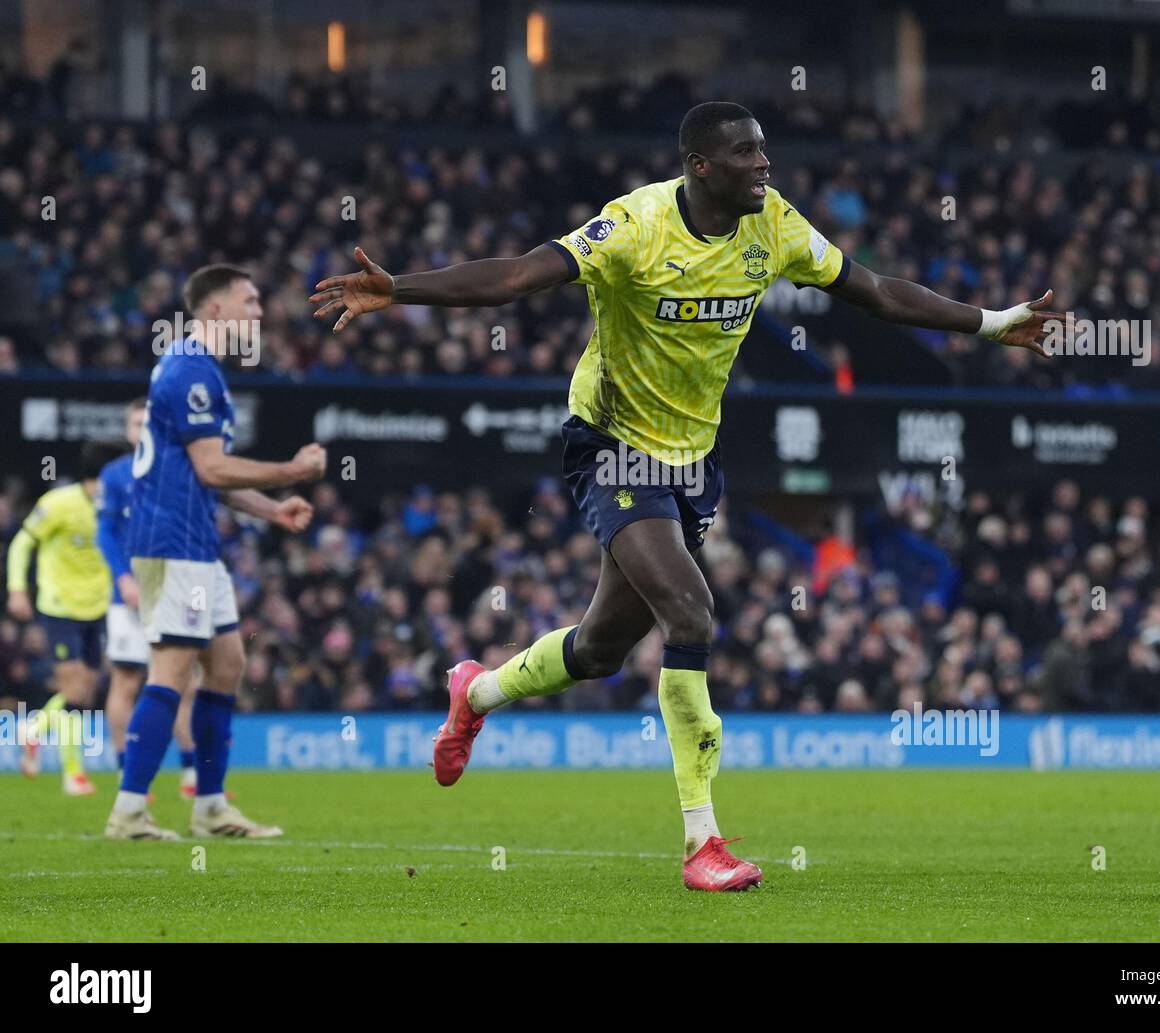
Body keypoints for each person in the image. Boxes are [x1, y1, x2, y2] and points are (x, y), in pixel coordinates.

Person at [309, 101, 1062, 890]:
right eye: (745, 153)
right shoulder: (633, 226)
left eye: (764, 150)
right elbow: (519, 276)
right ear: (700, 166)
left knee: (601, 648)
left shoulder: (772, 223)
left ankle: (478, 691)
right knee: (692, 612)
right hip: (611, 443)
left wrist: (990, 322)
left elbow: (872, 290)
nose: (764, 165)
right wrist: (402, 290)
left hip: (692, 458)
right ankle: (703, 842)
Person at [106, 263, 325, 840]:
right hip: (170, 543)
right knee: (173, 669)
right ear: (217, 310)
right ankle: (129, 810)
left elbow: (209, 477)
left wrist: (274, 509)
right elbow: (212, 466)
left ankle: (209, 805)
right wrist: (291, 471)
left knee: (227, 664)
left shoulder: (197, 370)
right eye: (250, 302)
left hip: (194, 540)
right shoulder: (190, 373)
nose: (260, 313)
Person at [97, 397, 202, 795]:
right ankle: (127, 771)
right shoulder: (115, 475)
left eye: (147, 422)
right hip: (129, 594)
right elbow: (105, 533)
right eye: (135, 423)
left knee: (184, 681)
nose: (141, 429)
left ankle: (192, 772)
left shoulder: (177, 471)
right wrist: (123, 577)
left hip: (175, 587)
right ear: (126, 431)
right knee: (125, 682)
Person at [7, 442, 118, 795]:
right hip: (60, 607)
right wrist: (17, 589)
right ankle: (74, 774)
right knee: (73, 686)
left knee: (84, 691)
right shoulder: (58, 503)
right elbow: (22, 543)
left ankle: (34, 728)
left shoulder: (115, 506)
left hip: (97, 608)